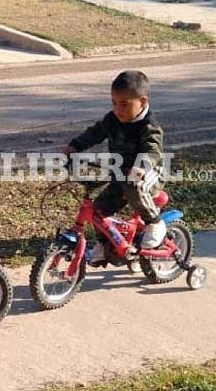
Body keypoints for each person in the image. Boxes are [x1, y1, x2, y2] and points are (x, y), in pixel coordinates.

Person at [62, 70, 167, 262]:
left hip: (150, 173)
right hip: (122, 173)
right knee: (99, 210)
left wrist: (142, 167)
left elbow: (152, 149)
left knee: (134, 185)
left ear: (142, 102)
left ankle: (156, 223)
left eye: (124, 104)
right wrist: (75, 145)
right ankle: (104, 244)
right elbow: (95, 133)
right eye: (114, 103)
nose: (118, 109)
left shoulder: (148, 126)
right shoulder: (112, 119)